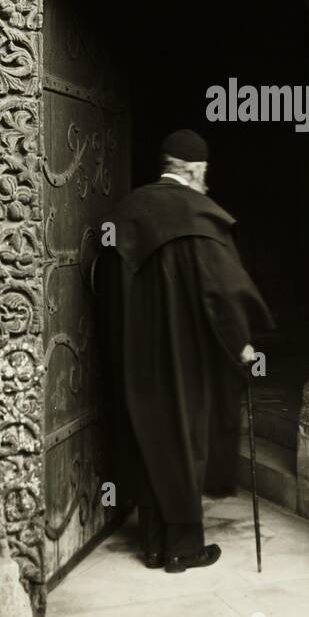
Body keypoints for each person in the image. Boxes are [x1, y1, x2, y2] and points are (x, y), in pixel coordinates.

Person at [94, 129, 273, 573]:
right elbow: (222, 293)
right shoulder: (201, 216)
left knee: (151, 440)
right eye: (205, 175)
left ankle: (153, 545)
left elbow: (104, 284)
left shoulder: (126, 213)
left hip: (137, 356)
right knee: (186, 443)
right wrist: (241, 345)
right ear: (192, 172)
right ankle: (184, 549)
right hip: (187, 357)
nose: (206, 184)